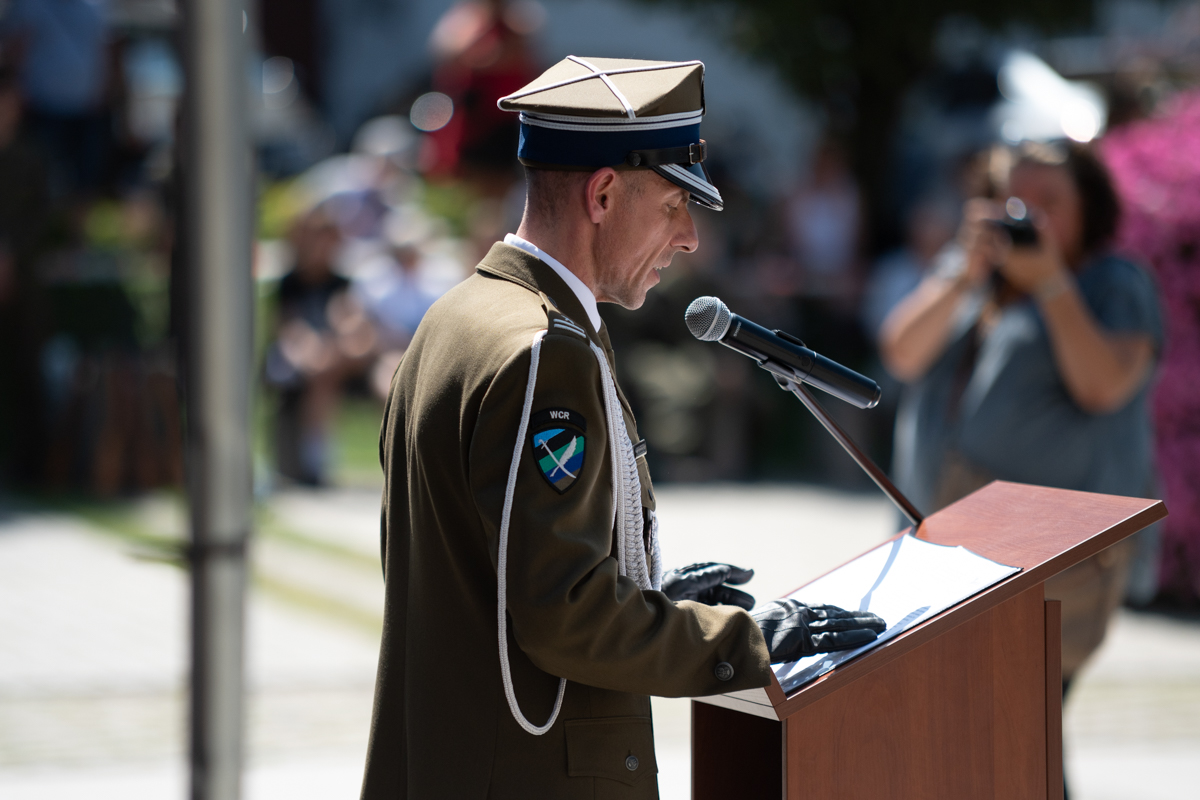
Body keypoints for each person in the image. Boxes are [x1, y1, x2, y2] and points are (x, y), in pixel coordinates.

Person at [359, 57, 886, 799]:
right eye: (676, 205)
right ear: (604, 193)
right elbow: (563, 616)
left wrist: (648, 587)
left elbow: (495, 569)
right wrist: (750, 643)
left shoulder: (461, 316)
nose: (690, 239)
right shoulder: (545, 351)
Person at [879, 141, 1162, 796]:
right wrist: (962, 273)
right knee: (983, 737)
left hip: (1054, 559)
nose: (1028, 217)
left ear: (1090, 211)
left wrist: (1052, 285)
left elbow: (1105, 384)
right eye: (1015, 200)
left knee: (1010, 732)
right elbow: (901, 351)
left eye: (1049, 203)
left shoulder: (1113, 283)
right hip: (946, 549)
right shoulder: (973, 277)